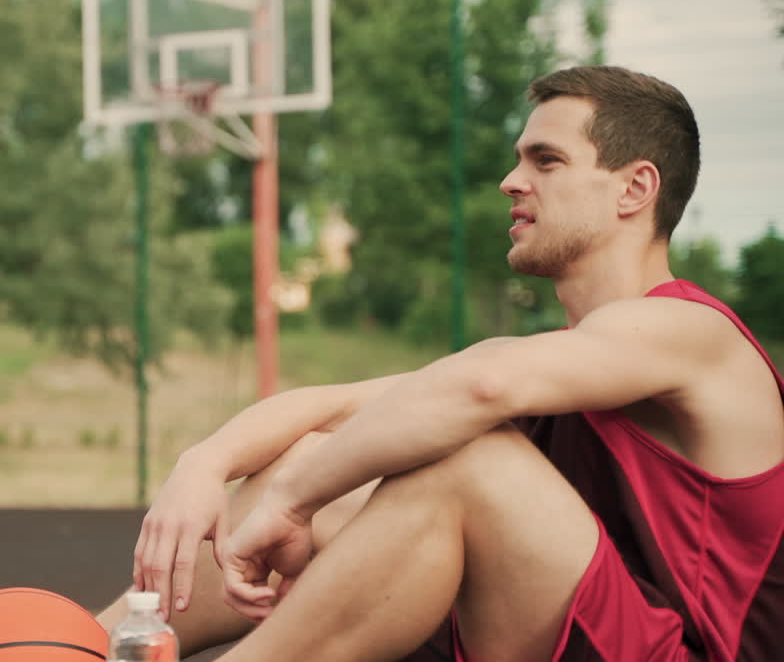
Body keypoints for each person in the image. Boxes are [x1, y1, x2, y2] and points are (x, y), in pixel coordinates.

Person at [94, 65, 784, 661]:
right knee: (338, 454)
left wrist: (288, 501)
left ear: (635, 189)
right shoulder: (558, 361)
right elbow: (337, 409)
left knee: (463, 458)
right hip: (559, 629)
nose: (511, 180)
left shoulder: (692, 331)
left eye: (546, 161)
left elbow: (477, 389)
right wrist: (206, 463)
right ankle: (82, 644)